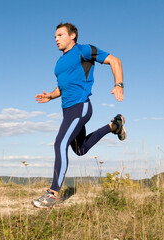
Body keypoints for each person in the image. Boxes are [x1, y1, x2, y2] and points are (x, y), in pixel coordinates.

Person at [32, 22, 127, 208]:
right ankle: (115, 125)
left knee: (60, 143)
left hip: (80, 107)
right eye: (55, 37)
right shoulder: (60, 63)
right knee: (80, 150)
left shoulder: (84, 50)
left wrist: (119, 85)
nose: (56, 39)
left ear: (72, 35)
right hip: (67, 110)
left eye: (60, 35)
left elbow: (115, 61)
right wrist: (51, 96)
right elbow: (63, 85)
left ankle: (53, 193)